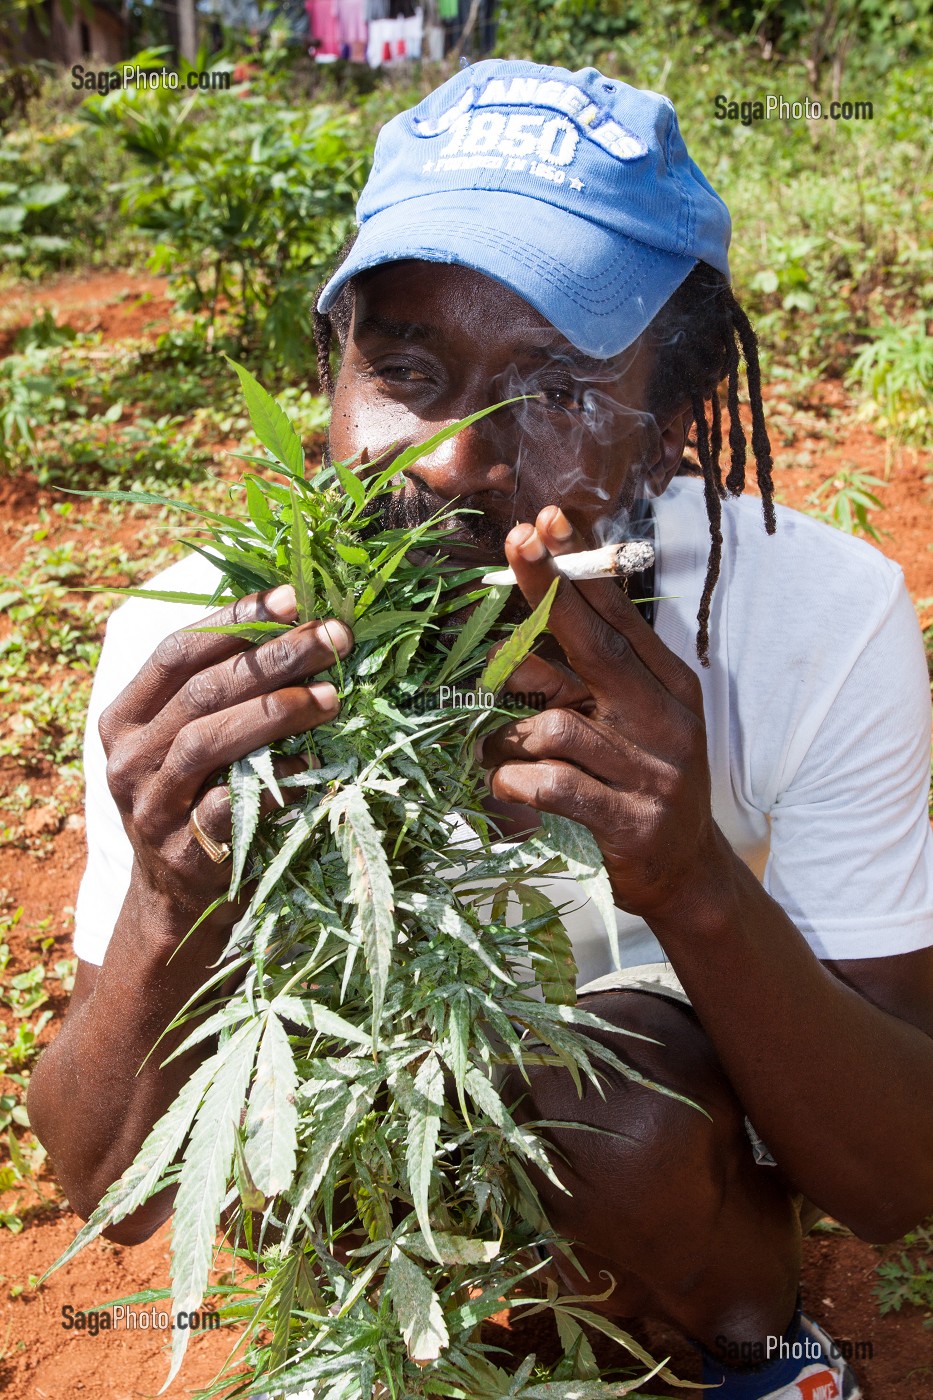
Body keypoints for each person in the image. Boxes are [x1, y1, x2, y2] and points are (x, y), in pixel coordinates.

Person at [29, 60, 933, 1400]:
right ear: (330, 382)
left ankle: (760, 1359)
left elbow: (894, 1179)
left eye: (555, 388)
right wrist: (175, 898)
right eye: (405, 369)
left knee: (612, 1110)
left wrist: (689, 879)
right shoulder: (198, 652)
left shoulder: (814, 618)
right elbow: (107, 1181)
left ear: (670, 427)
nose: (450, 458)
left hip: (672, 1151)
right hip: (361, 1176)